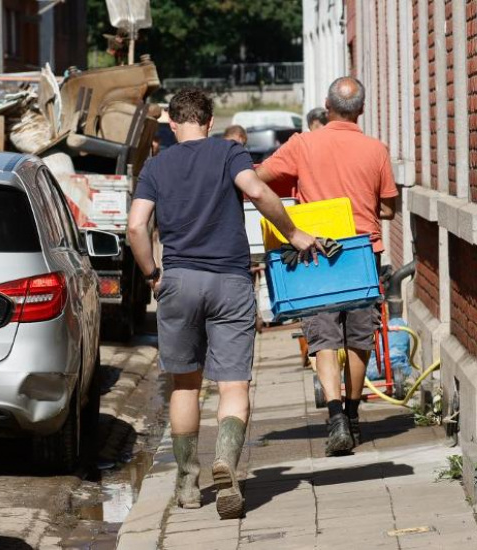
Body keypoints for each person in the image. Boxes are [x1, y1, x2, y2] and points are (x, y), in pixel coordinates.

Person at [127, 88, 319, 519]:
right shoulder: (229, 153)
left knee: (185, 384)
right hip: (230, 281)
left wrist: (152, 276)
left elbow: (137, 228)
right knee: (234, 384)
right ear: (209, 122)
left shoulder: (156, 166)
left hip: (178, 281)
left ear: (173, 125)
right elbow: (257, 192)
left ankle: (187, 482)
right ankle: (226, 463)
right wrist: (294, 233)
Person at [257, 77, 398, 456]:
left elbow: (258, 179)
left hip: (316, 253)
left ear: (326, 105)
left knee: (323, 337)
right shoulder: (376, 150)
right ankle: (353, 414)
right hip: (362, 253)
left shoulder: (303, 145)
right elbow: (388, 206)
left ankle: (334, 416)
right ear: (362, 110)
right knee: (359, 336)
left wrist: (296, 204)